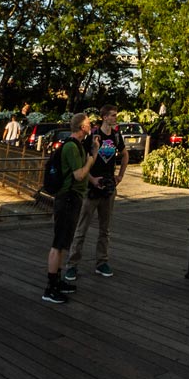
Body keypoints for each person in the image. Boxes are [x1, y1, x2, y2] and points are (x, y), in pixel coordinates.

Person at [44, 112, 106, 304]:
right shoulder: (71, 147)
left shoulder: (78, 145)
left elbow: (81, 174)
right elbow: (79, 174)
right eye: (88, 124)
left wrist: (93, 178)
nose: (90, 126)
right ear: (81, 127)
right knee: (58, 243)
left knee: (64, 243)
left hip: (74, 197)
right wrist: (92, 158)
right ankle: (50, 287)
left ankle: (58, 280)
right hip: (67, 198)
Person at [66, 106, 128, 282]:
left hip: (108, 187)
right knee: (82, 227)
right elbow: (84, 159)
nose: (115, 118)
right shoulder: (93, 136)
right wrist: (91, 179)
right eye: (113, 115)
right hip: (92, 188)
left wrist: (120, 176)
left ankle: (102, 261)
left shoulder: (116, 136)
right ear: (104, 117)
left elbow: (124, 155)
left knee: (105, 228)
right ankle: (72, 264)